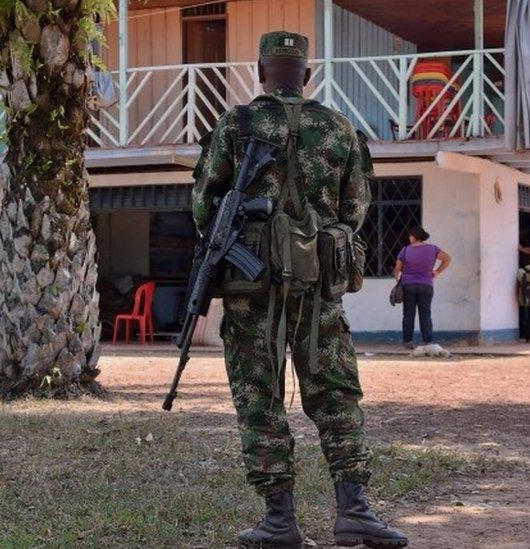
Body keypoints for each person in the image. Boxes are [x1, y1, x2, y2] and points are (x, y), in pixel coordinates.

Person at [192, 31, 407, 548]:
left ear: (259, 70)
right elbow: (356, 209)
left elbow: (204, 206)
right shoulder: (338, 129)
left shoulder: (236, 124)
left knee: (258, 394)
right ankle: (354, 510)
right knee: (335, 392)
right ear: (307, 76)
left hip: (251, 287)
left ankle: (279, 520)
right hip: (318, 285)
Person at [393, 226, 451, 349]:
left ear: (414, 236)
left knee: (408, 314)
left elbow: (397, 269)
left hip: (408, 285)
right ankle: (427, 341)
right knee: (425, 314)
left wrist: (398, 280)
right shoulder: (432, 249)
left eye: (410, 236)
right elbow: (447, 259)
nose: (409, 238)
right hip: (426, 285)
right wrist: (437, 271)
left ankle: (408, 342)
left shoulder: (405, 250)